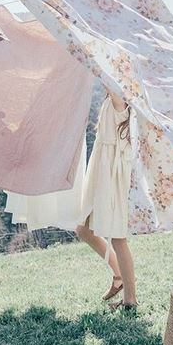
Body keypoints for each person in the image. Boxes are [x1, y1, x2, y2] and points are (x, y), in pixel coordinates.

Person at [76, 87, 137, 311]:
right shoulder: (111, 101)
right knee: (83, 229)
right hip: (101, 169)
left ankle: (130, 299)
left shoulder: (120, 101)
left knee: (118, 236)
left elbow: (111, 80)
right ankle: (118, 275)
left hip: (112, 172)